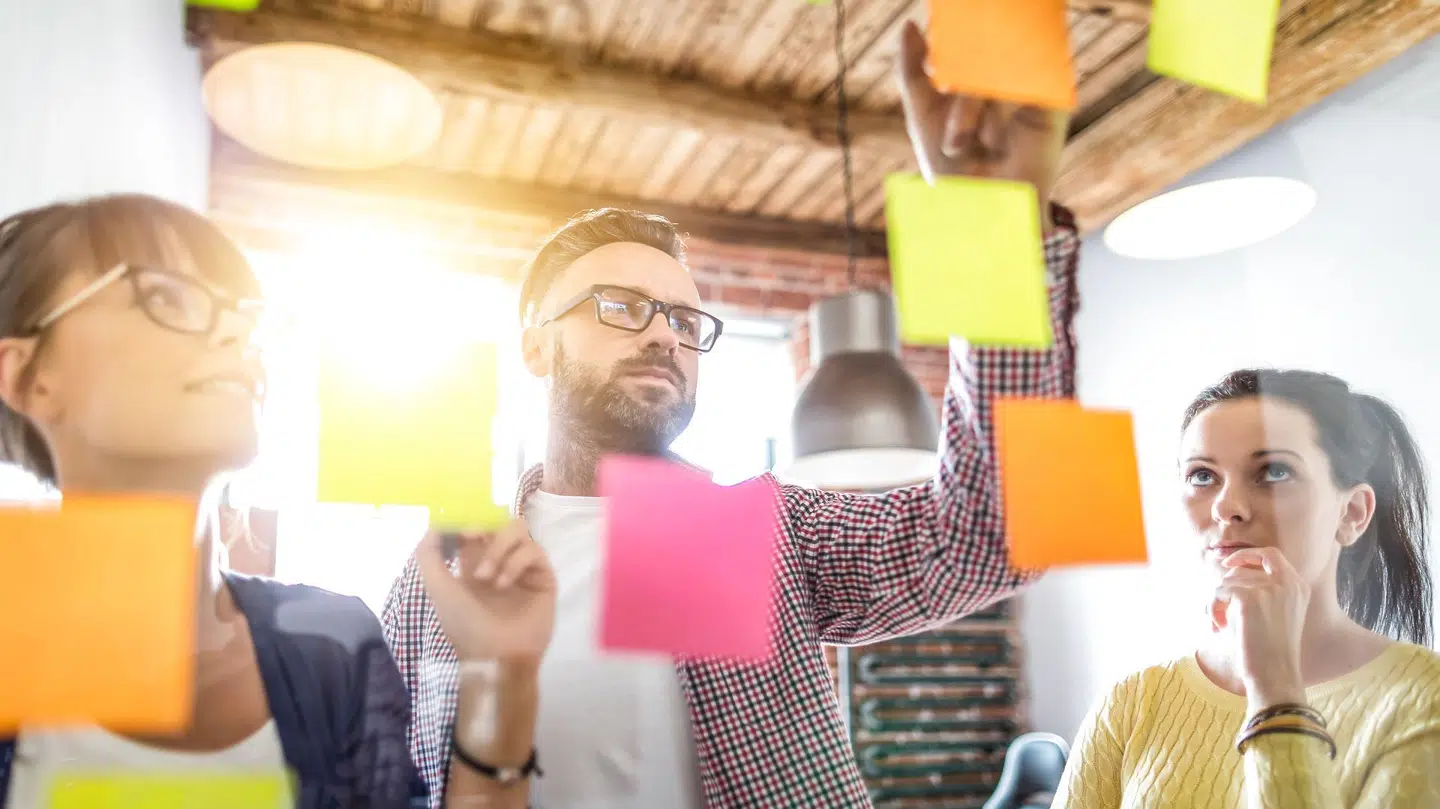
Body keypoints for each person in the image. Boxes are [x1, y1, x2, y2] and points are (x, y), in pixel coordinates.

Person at [382, 20, 1078, 809]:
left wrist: (995, 236)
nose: (661, 334)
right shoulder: (445, 574)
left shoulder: (753, 532)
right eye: (621, 307)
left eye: (683, 321)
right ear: (537, 348)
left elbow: (998, 531)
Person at [0, 194, 431, 808]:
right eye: (167, 297)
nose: (236, 334)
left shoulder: (336, 645)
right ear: (28, 377)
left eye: (245, 319)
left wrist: (505, 674)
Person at [1053, 370, 1440, 808]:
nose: (1227, 508)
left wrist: (1275, 691)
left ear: (1351, 513)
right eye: (1202, 476)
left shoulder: (1425, 701)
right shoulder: (1133, 702)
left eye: (1274, 471)